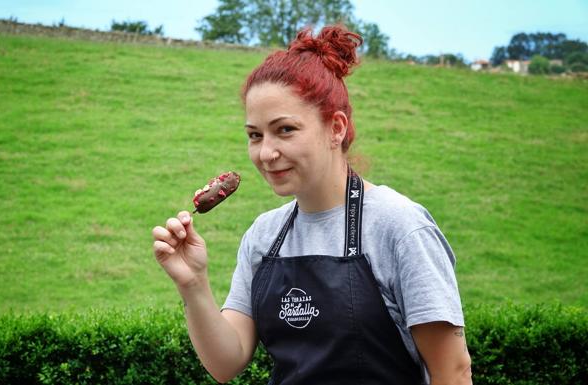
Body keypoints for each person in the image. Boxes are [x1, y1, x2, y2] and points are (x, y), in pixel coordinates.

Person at [152, 24, 472, 385]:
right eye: (254, 135)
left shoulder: (398, 226)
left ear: (336, 128)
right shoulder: (265, 235)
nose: (267, 153)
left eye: (285, 130)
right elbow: (226, 362)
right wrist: (193, 283)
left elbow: (453, 372)